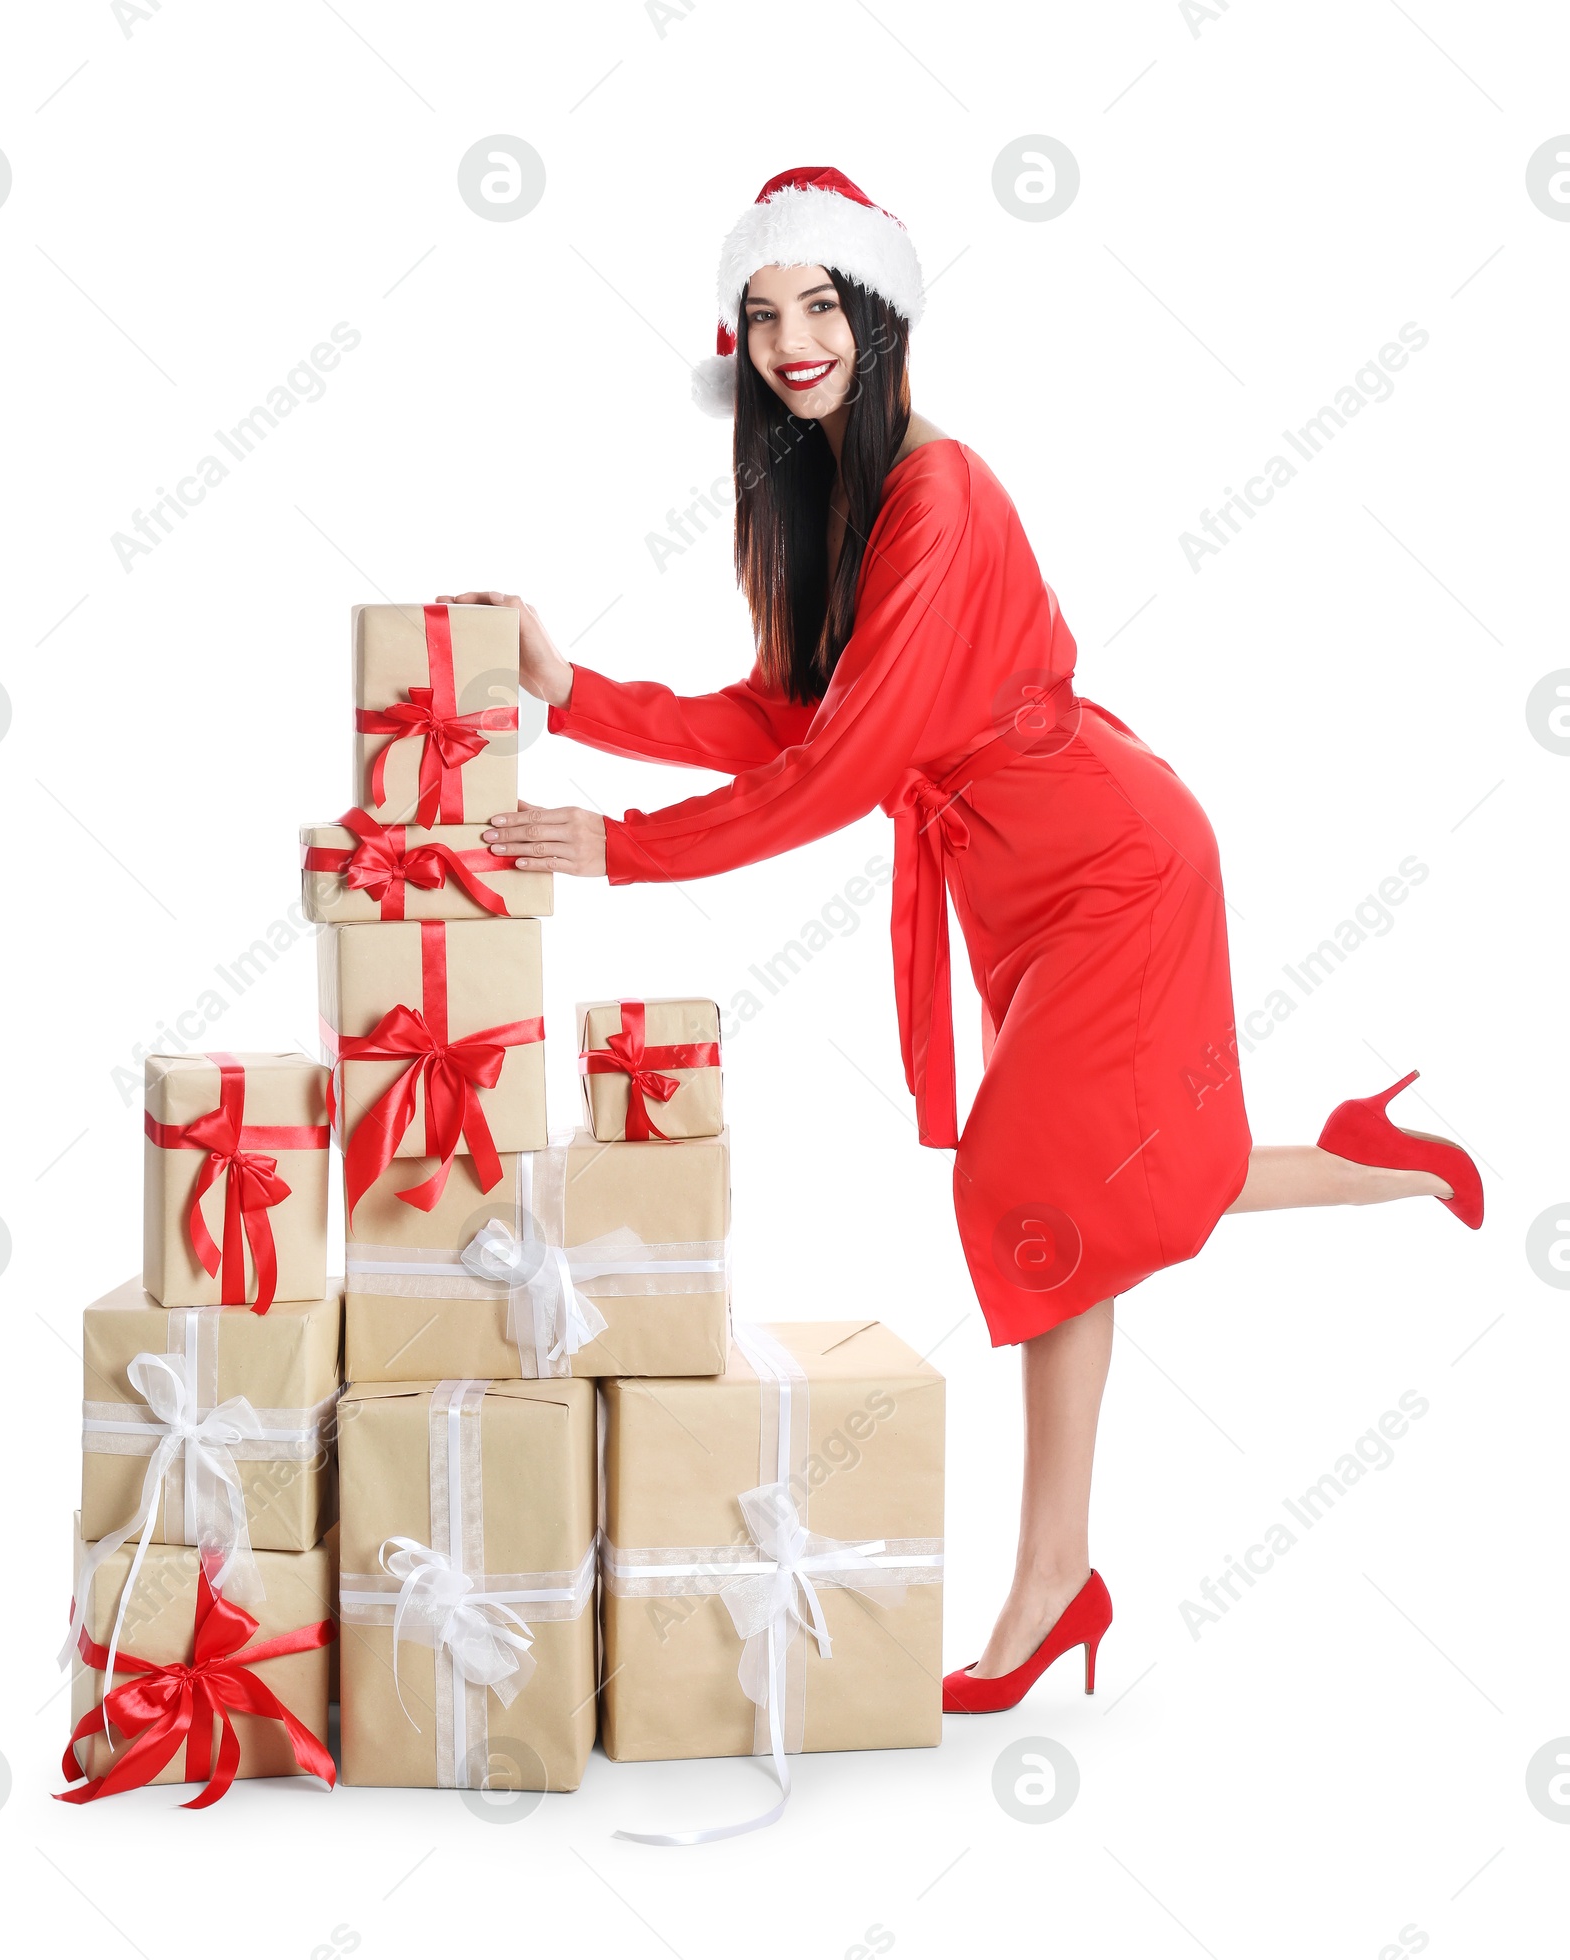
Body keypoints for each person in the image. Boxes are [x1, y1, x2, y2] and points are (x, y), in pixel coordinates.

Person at [438, 166, 1483, 1715]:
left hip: (1113, 863)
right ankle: (1369, 1159)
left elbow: (847, 775)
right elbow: (787, 718)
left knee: (1033, 1187)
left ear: (879, 314)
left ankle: (1054, 1579)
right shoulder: (827, 501)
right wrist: (570, 693)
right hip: (1018, 884)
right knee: (1096, 1173)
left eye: (821, 306)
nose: (794, 339)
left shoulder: (942, 492)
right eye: (764, 313)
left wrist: (623, 852)